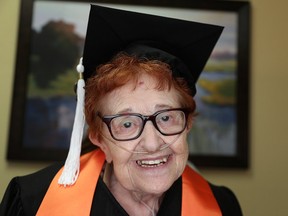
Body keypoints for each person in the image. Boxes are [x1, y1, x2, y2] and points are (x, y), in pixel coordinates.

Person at [0, 5, 242, 216]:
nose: (151, 143)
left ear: (188, 123)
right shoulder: (32, 202)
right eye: (127, 123)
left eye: (166, 117)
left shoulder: (221, 206)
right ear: (98, 137)